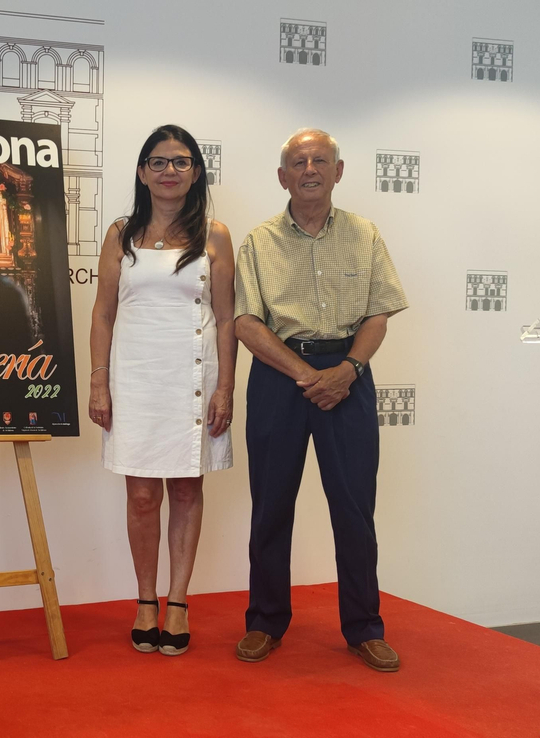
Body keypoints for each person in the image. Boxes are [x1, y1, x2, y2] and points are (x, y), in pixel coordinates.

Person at [231, 128, 409, 671]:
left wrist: (348, 369)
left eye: (320, 160)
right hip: (278, 377)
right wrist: (309, 375)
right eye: (298, 161)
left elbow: (379, 313)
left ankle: (363, 628)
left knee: (355, 510)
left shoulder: (366, 234)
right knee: (271, 506)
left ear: (338, 171)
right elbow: (244, 321)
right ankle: (265, 622)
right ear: (282, 176)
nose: (310, 169)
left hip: (349, 379)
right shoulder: (258, 241)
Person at [88, 125, 236, 657]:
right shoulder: (121, 233)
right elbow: (103, 313)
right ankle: (145, 599)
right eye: (158, 161)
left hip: (192, 380)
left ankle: (178, 601)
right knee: (143, 494)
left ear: (196, 172)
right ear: (141, 172)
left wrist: (225, 389)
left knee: (188, 491)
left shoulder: (215, 235)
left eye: (180, 161)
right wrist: (99, 381)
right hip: (137, 378)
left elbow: (225, 320)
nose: (169, 170)